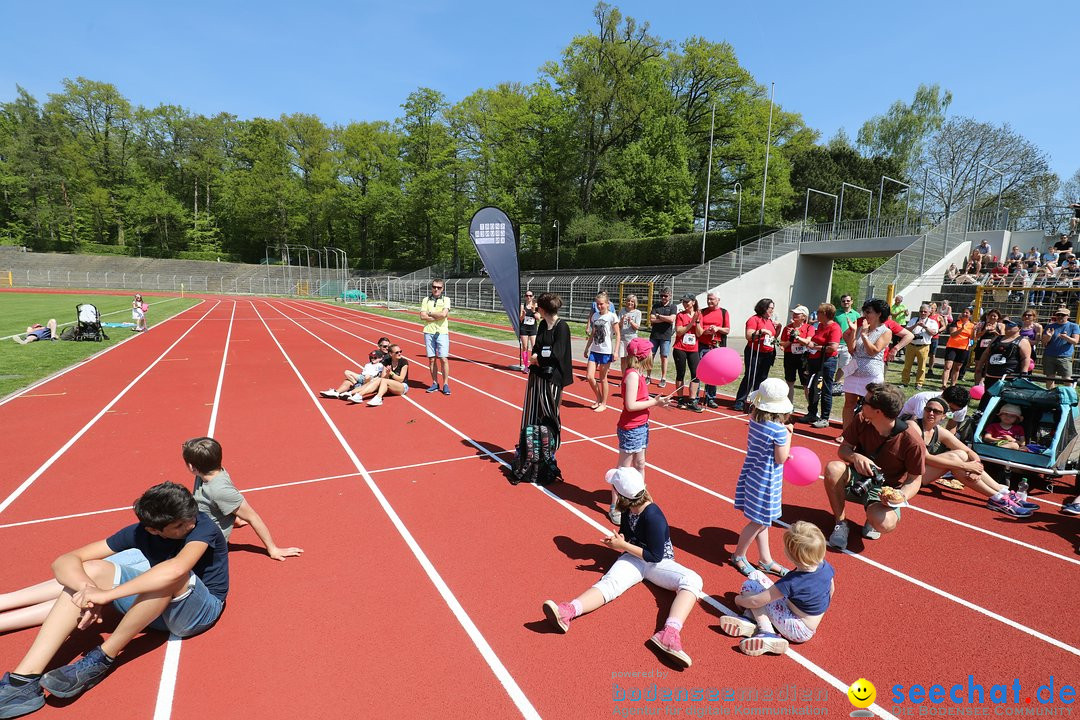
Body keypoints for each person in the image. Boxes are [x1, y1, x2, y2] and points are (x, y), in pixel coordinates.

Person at [0, 438, 300, 635]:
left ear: (192, 466)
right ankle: (6, 601)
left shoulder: (215, 498)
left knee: (102, 577)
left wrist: (272, 548)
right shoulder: (206, 479)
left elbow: (251, 513)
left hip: (186, 547)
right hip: (173, 538)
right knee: (94, 571)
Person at [0, 483, 227, 716]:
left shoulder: (202, 526)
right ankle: (23, 681)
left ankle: (103, 657)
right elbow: (66, 560)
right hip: (154, 610)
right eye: (179, 525)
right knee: (92, 570)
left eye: (190, 517)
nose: (190, 524)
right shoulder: (138, 533)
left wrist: (106, 595)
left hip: (200, 609)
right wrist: (87, 590)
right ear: (153, 530)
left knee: (169, 575)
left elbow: (176, 569)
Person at [541, 467, 703, 668]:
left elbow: (656, 555)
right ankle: (567, 612)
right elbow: (626, 531)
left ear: (621, 495)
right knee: (610, 584)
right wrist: (620, 539)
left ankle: (669, 633)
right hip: (634, 557)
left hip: (658, 564)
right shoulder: (628, 510)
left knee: (694, 580)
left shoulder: (653, 515)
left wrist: (622, 546)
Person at [824, 383, 926, 551]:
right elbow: (843, 449)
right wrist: (855, 456)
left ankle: (872, 518)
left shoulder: (912, 442)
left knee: (885, 524)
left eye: (865, 401)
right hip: (857, 480)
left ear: (878, 411)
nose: (860, 403)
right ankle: (840, 523)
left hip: (885, 490)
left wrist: (900, 496)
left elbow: (915, 479)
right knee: (833, 468)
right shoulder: (861, 419)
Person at [720, 522, 835, 657]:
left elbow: (757, 601)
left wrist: (738, 600)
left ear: (790, 555)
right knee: (758, 576)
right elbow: (831, 590)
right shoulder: (825, 567)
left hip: (796, 629)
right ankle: (750, 619)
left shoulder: (792, 581)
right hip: (809, 623)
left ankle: (767, 631)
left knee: (750, 586)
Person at [912, 397, 1036, 516]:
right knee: (956, 459)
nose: (931, 413)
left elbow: (969, 452)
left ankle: (1002, 492)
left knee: (961, 454)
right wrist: (966, 466)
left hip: (921, 473)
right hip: (907, 477)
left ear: (944, 416)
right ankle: (997, 498)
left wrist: (976, 467)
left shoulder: (938, 430)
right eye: (928, 409)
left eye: (937, 411)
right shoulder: (913, 426)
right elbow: (926, 457)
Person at [729, 378, 793, 579]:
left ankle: (765, 559)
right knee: (758, 522)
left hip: (753, 474)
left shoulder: (755, 420)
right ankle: (738, 555)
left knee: (763, 520)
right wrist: (790, 435)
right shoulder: (779, 430)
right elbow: (781, 458)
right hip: (766, 481)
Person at [609, 338, 672, 524]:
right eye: (650, 352)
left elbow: (640, 398)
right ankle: (615, 506)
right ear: (643, 356)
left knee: (641, 464)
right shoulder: (632, 375)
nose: (653, 355)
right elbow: (630, 405)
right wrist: (655, 402)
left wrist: (658, 402)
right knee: (624, 469)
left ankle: (639, 499)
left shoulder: (638, 373)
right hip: (631, 428)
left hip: (642, 426)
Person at [521, 293, 573, 459]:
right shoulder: (543, 324)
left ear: (542, 309)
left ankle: (551, 449)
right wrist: (535, 355)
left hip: (553, 378)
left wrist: (539, 359)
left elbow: (558, 353)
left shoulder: (562, 327)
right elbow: (537, 345)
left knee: (550, 413)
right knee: (535, 412)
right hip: (539, 375)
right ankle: (533, 445)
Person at [840, 299, 893, 430]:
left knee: (872, 406)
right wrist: (853, 332)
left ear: (879, 314)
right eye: (864, 312)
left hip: (872, 376)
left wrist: (864, 335)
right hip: (854, 372)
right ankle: (846, 433)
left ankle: (867, 434)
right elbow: (852, 349)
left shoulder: (885, 331)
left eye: (868, 312)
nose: (865, 315)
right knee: (849, 404)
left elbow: (873, 351)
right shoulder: (861, 328)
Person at [733, 298, 779, 412]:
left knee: (762, 378)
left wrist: (779, 328)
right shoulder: (754, 319)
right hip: (754, 351)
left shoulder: (770, 320)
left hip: (768, 353)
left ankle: (757, 401)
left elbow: (774, 337)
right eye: (771, 308)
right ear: (764, 308)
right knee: (750, 376)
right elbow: (749, 336)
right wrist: (761, 331)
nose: (772, 311)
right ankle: (740, 400)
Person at [801, 303, 842, 429]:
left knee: (826, 389)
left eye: (819, 312)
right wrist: (811, 343)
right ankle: (812, 413)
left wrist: (815, 347)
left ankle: (825, 418)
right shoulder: (819, 326)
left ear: (825, 314)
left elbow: (832, 347)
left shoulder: (834, 328)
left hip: (827, 361)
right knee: (813, 387)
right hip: (814, 360)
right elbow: (816, 339)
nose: (817, 314)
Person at [583, 291, 620, 413]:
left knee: (603, 378)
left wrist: (615, 351)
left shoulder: (612, 316)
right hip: (594, 349)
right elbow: (593, 333)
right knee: (589, 376)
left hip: (606, 351)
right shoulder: (595, 316)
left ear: (607, 304)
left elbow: (617, 335)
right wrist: (587, 347)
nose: (599, 306)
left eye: (602, 304)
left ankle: (604, 403)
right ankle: (598, 398)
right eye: (597, 304)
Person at [697, 292, 730, 408]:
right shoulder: (702, 312)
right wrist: (706, 331)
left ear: (718, 300)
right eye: (708, 299)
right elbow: (699, 329)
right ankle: (696, 397)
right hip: (702, 345)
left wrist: (717, 329)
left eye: (712, 299)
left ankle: (710, 398)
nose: (709, 301)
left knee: (713, 372)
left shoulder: (724, 312)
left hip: (716, 346)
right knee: (699, 371)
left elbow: (727, 330)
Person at [671, 294, 703, 413]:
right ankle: (680, 399)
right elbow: (679, 332)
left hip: (693, 349)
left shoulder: (699, 314)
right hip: (680, 348)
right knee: (681, 373)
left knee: (696, 374)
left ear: (693, 302)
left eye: (687, 302)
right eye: (683, 302)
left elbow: (699, 334)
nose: (685, 304)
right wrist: (691, 323)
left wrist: (698, 321)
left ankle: (692, 400)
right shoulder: (680, 315)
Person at [974, 321, 1031, 387]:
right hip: (991, 375)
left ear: (1019, 328)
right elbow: (986, 353)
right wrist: (979, 366)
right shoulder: (996, 338)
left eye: (1011, 324)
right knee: (987, 396)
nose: (1007, 326)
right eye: (1006, 324)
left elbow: (1025, 358)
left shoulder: (1023, 341)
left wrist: (1024, 374)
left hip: (1009, 378)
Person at [420, 278, 451, 395]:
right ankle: (434, 383)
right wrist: (437, 316)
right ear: (431, 287)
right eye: (434, 287)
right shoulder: (425, 300)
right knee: (432, 359)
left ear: (442, 289)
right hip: (428, 332)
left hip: (442, 332)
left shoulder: (446, 299)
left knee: (443, 359)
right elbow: (422, 316)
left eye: (439, 287)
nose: (436, 289)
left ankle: (446, 384)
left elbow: (444, 314)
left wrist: (429, 313)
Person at [320, 351, 388, 400]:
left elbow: (381, 375)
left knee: (365, 377)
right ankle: (337, 392)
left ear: (380, 358)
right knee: (347, 379)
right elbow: (363, 372)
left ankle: (351, 392)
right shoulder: (368, 364)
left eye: (375, 357)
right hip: (362, 377)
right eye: (371, 357)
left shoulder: (381, 365)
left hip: (370, 379)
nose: (373, 359)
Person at [780, 305, 813, 404]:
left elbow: (808, 342)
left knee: (806, 384)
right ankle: (789, 405)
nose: (794, 315)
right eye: (794, 313)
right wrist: (791, 339)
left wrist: (797, 337)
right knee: (789, 382)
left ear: (804, 316)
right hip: (790, 356)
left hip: (804, 357)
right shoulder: (787, 328)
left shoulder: (809, 328)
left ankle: (811, 409)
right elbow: (783, 345)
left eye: (797, 314)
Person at [900, 304, 939, 388]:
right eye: (921, 311)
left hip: (923, 346)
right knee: (907, 365)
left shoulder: (932, 322)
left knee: (921, 367)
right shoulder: (914, 320)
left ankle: (919, 383)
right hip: (911, 345)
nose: (923, 313)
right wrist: (916, 325)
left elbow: (933, 333)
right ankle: (904, 382)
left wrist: (924, 326)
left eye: (925, 311)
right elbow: (906, 330)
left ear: (929, 312)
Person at [900, 385, 970, 432]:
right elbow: (922, 424)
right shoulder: (924, 399)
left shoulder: (961, 407)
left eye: (956, 410)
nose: (952, 412)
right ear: (942, 397)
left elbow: (952, 427)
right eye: (950, 408)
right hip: (906, 421)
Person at [1041, 307, 1080, 386]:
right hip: (1049, 356)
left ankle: (1070, 396)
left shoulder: (1074, 326)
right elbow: (1044, 343)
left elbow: (1075, 341)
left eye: (1063, 315)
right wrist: (1048, 336)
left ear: (1068, 316)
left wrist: (1065, 337)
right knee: (1050, 378)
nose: (1060, 316)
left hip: (1064, 357)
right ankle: (1050, 396)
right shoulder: (1049, 326)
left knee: (1066, 379)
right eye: (1058, 314)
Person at [648, 289, 678, 388]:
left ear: (670, 296)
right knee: (650, 356)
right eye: (662, 296)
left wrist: (659, 316)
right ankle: (648, 376)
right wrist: (665, 319)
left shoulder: (673, 307)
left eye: (665, 296)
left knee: (664, 357)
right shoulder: (656, 305)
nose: (663, 298)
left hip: (666, 336)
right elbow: (652, 319)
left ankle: (663, 378)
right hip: (654, 335)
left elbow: (672, 319)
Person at [833, 295, 860, 395]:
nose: (846, 302)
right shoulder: (836, 313)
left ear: (852, 302)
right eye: (843, 301)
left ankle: (836, 383)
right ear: (841, 302)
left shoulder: (856, 315)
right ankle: (828, 382)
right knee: (832, 364)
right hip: (835, 343)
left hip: (847, 344)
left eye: (848, 301)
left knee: (843, 366)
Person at [942, 308, 975, 388]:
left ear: (970, 315)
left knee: (957, 368)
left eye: (967, 313)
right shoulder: (955, 322)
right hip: (952, 347)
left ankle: (953, 385)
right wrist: (962, 329)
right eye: (963, 312)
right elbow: (953, 334)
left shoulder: (972, 325)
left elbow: (972, 338)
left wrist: (975, 331)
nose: (965, 314)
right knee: (948, 366)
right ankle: (944, 384)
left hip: (963, 348)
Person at [618, 294, 642, 374]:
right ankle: (624, 377)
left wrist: (631, 321)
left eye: (632, 301)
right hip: (623, 339)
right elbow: (619, 325)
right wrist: (621, 320)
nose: (630, 303)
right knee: (623, 360)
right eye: (628, 301)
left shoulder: (638, 312)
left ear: (635, 303)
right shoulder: (622, 311)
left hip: (632, 339)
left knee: (633, 360)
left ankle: (634, 376)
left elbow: (637, 327)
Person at [519, 291, 540, 373]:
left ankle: (534, 364)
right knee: (525, 347)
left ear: (533, 297)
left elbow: (538, 318)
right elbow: (520, 319)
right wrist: (523, 315)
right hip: (524, 328)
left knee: (534, 347)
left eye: (530, 295)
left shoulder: (535, 305)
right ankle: (526, 366)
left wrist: (534, 311)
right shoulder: (522, 306)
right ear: (525, 297)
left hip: (533, 328)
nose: (528, 297)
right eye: (527, 295)